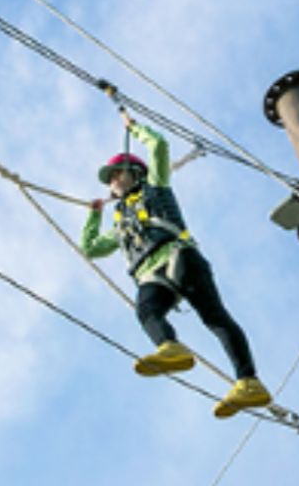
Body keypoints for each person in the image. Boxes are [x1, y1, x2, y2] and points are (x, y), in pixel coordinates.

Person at [82, 107, 271, 418]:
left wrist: (134, 127)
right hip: (150, 275)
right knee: (146, 310)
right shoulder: (120, 223)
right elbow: (90, 248)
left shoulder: (155, 185)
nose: (112, 181)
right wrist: (94, 216)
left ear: (135, 172)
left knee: (214, 317)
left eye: (117, 173)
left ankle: (249, 381)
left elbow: (159, 146)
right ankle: (171, 348)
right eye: (110, 178)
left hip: (178, 256)